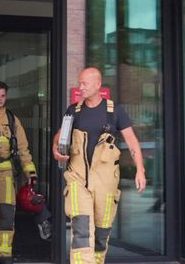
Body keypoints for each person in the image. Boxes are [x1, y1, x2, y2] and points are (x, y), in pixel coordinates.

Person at [52, 67, 147, 264]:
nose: (81, 88)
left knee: (102, 233)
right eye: (79, 83)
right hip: (77, 179)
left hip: (106, 183)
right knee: (81, 229)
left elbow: (131, 141)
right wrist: (55, 148)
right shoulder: (73, 111)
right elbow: (60, 135)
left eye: (85, 84)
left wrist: (140, 170)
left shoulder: (114, 112)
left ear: (98, 84)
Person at [0, 81, 45, 264]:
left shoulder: (12, 120)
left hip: (6, 173)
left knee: (7, 215)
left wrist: (30, 173)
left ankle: (4, 255)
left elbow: (23, 149)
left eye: (3, 96)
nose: (0, 99)